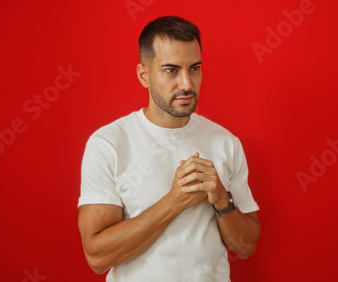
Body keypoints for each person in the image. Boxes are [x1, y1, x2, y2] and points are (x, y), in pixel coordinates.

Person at [77, 15, 261, 281]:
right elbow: (97, 258)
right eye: (171, 70)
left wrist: (222, 200)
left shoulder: (226, 142)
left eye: (194, 68)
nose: (186, 84)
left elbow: (245, 247)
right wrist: (175, 202)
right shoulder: (108, 144)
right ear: (144, 75)